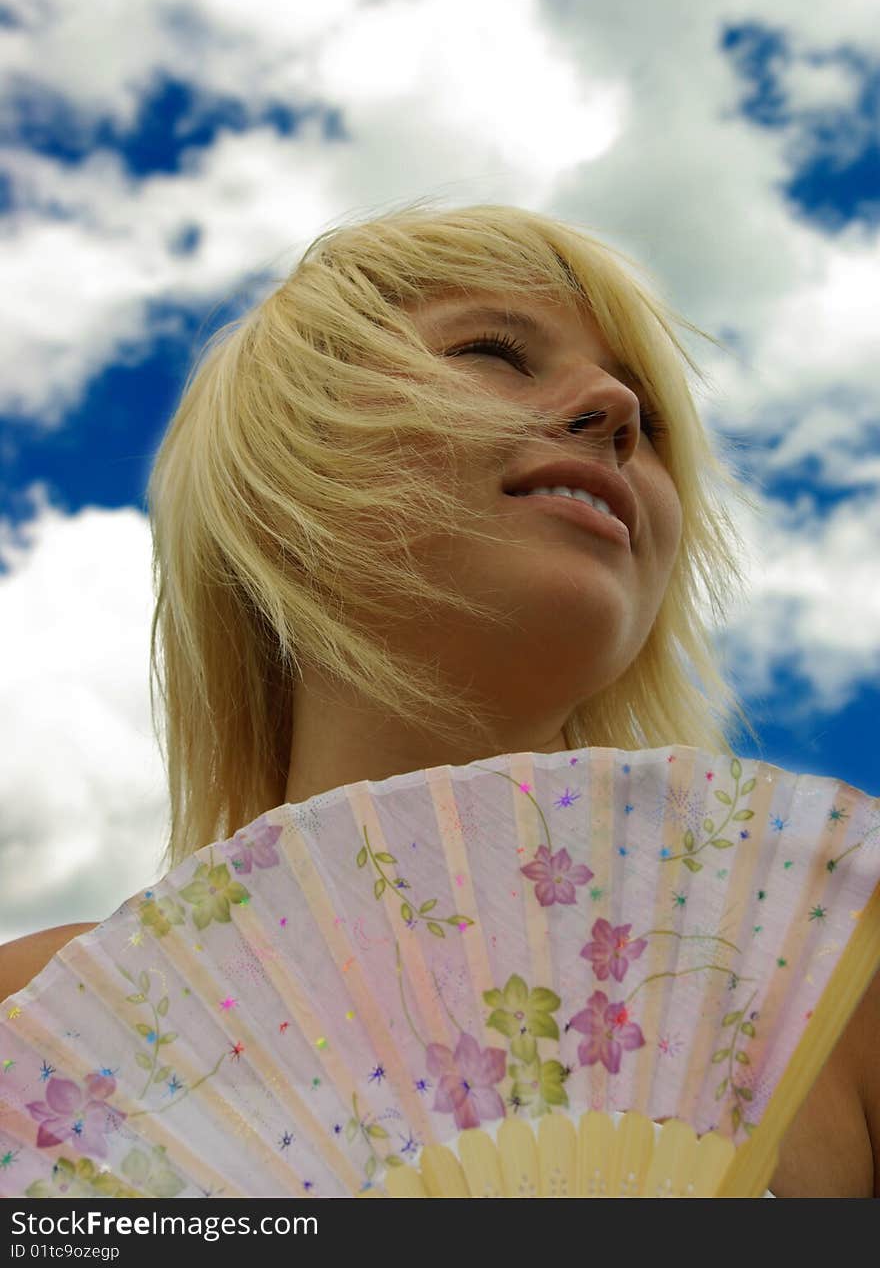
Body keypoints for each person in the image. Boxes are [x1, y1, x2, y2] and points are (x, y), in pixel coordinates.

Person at [1, 202, 877, 1196]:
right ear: (280, 478)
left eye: (652, 414)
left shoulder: (835, 989)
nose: (613, 410)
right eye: (496, 352)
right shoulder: (39, 1017)